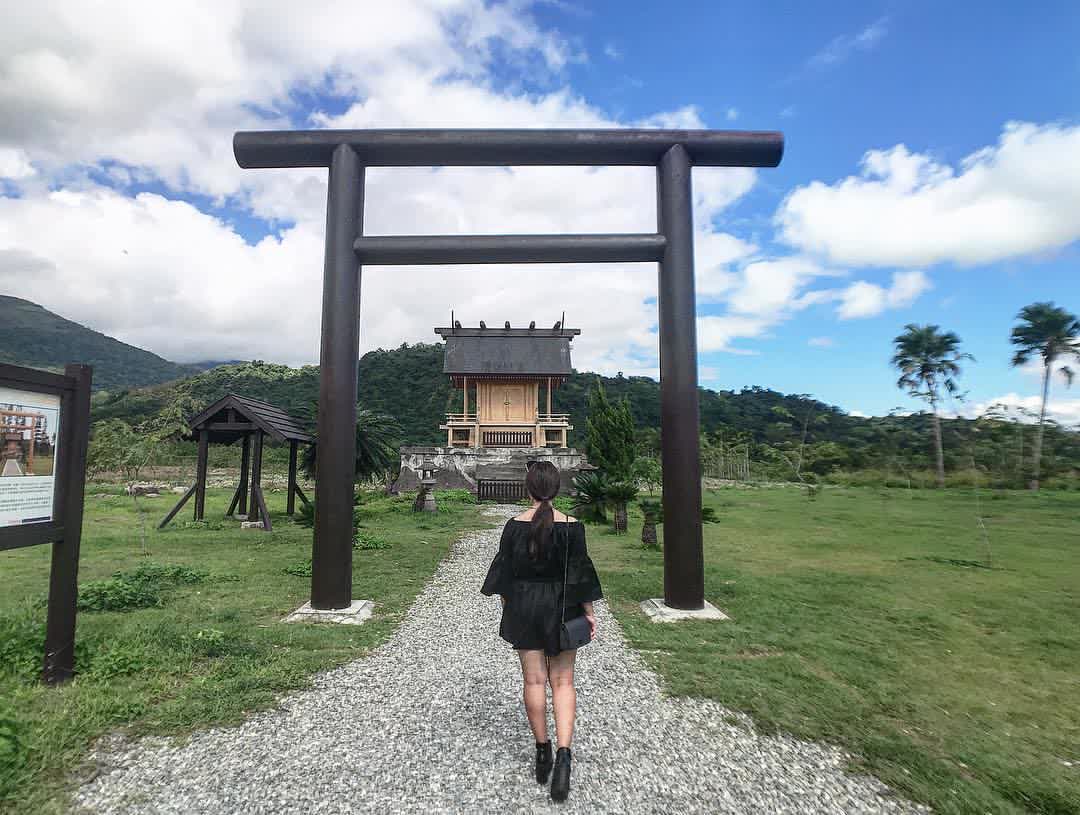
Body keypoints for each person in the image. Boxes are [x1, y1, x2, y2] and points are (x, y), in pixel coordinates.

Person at [480, 460, 603, 803]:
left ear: (528, 488)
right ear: (557, 489)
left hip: (525, 608)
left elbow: (503, 576)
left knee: (534, 682)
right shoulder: (573, 527)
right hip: (564, 607)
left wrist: (511, 608)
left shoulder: (513, 526)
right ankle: (565, 755)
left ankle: (542, 750)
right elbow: (581, 577)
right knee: (563, 681)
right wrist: (589, 614)